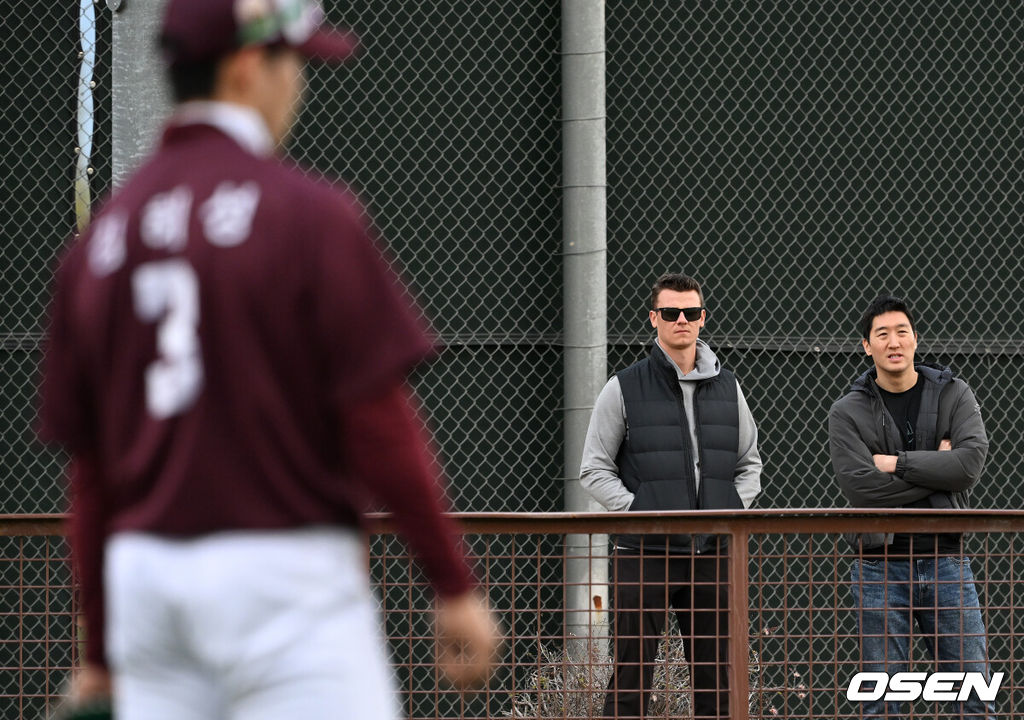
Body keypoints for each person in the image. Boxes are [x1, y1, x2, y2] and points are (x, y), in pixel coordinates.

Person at [37, 1, 499, 718]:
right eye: (294, 63)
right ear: (248, 67)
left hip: (147, 583)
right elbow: (376, 421)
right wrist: (453, 585)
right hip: (282, 578)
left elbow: (92, 474)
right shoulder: (308, 214)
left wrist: (100, 653)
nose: (299, 85)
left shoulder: (101, 242)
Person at [580, 272, 762, 719]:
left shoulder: (729, 387)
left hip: (712, 552)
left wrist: (727, 513)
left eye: (691, 312)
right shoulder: (623, 386)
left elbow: (750, 464)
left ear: (702, 319)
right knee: (630, 678)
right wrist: (641, 513)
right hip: (643, 552)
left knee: (716, 681)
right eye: (670, 312)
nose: (681, 319)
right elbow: (594, 468)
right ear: (653, 319)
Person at [828, 294, 994, 720]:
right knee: (882, 703)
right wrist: (936, 472)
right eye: (882, 334)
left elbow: (968, 465)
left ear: (916, 339)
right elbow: (861, 487)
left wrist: (896, 464)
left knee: (973, 696)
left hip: (947, 560)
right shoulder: (847, 411)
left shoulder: (954, 393)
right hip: (878, 565)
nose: (894, 341)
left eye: (902, 331)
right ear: (867, 346)